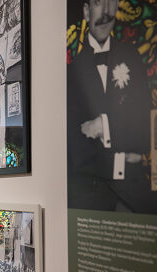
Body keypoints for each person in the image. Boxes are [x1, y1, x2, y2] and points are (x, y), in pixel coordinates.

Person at [67, 0, 153, 213]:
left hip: (136, 193)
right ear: (86, 11)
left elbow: (144, 134)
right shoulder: (71, 72)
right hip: (90, 199)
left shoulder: (132, 58)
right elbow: (77, 154)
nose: (106, 12)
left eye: (111, 2)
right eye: (98, 3)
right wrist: (124, 156)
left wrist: (103, 126)